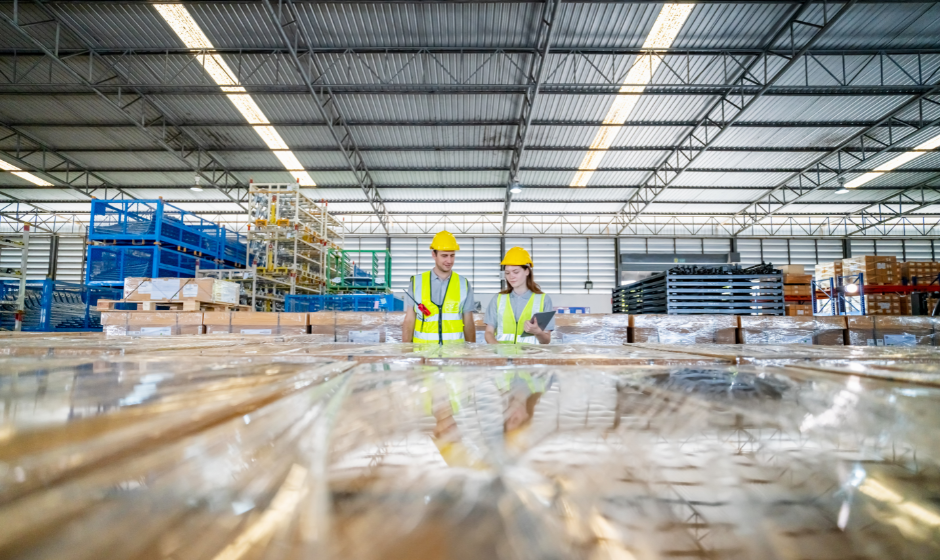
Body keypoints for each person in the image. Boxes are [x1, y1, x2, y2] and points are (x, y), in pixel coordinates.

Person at [402, 231, 476, 344]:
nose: (449, 261)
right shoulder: (417, 282)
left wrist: (471, 351)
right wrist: (406, 350)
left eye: (452, 255)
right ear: (434, 255)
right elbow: (409, 320)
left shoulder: (464, 284)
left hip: (453, 354)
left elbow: (468, 322)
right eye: (444, 256)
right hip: (423, 353)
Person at [484, 247, 554, 344]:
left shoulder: (543, 300)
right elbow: (488, 332)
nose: (511, 276)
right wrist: (498, 349)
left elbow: (546, 341)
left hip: (531, 357)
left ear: (527, 271)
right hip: (504, 357)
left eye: (516, 272)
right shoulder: (498, 299)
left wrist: (537, 332)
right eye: (507, 273)